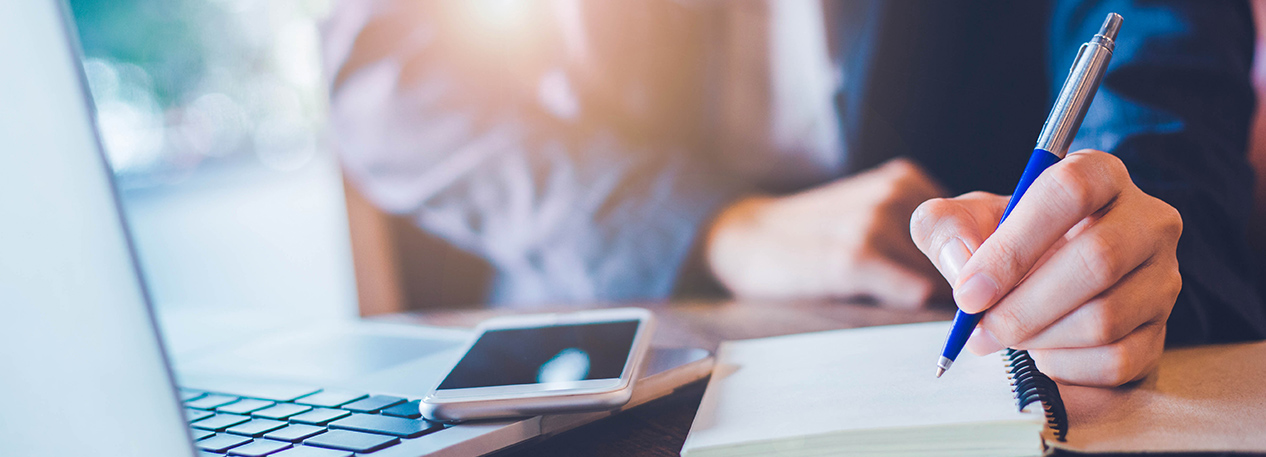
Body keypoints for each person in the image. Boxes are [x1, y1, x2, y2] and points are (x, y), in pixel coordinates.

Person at [321, 0, 1265, 386]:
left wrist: (1123, 215)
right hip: (622, 308)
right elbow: (387, 83)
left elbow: (1155, 44)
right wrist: (718, 226)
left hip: (990, 309)